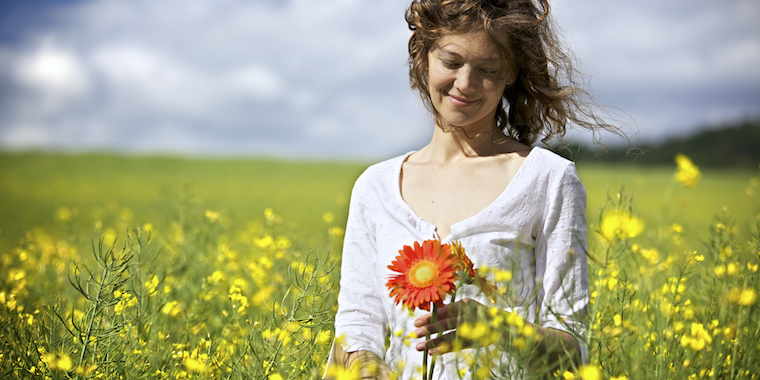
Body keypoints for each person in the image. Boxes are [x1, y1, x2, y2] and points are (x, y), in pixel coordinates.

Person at [328, 0, 620, 378]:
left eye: (487, 70)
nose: (465, 84)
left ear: (510, 73)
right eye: (451, 62)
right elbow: (356, 326)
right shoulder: (375, 187)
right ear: (424, 57)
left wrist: (499, 328)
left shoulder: (548, 179)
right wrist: (367, 366)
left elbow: (572, 352)